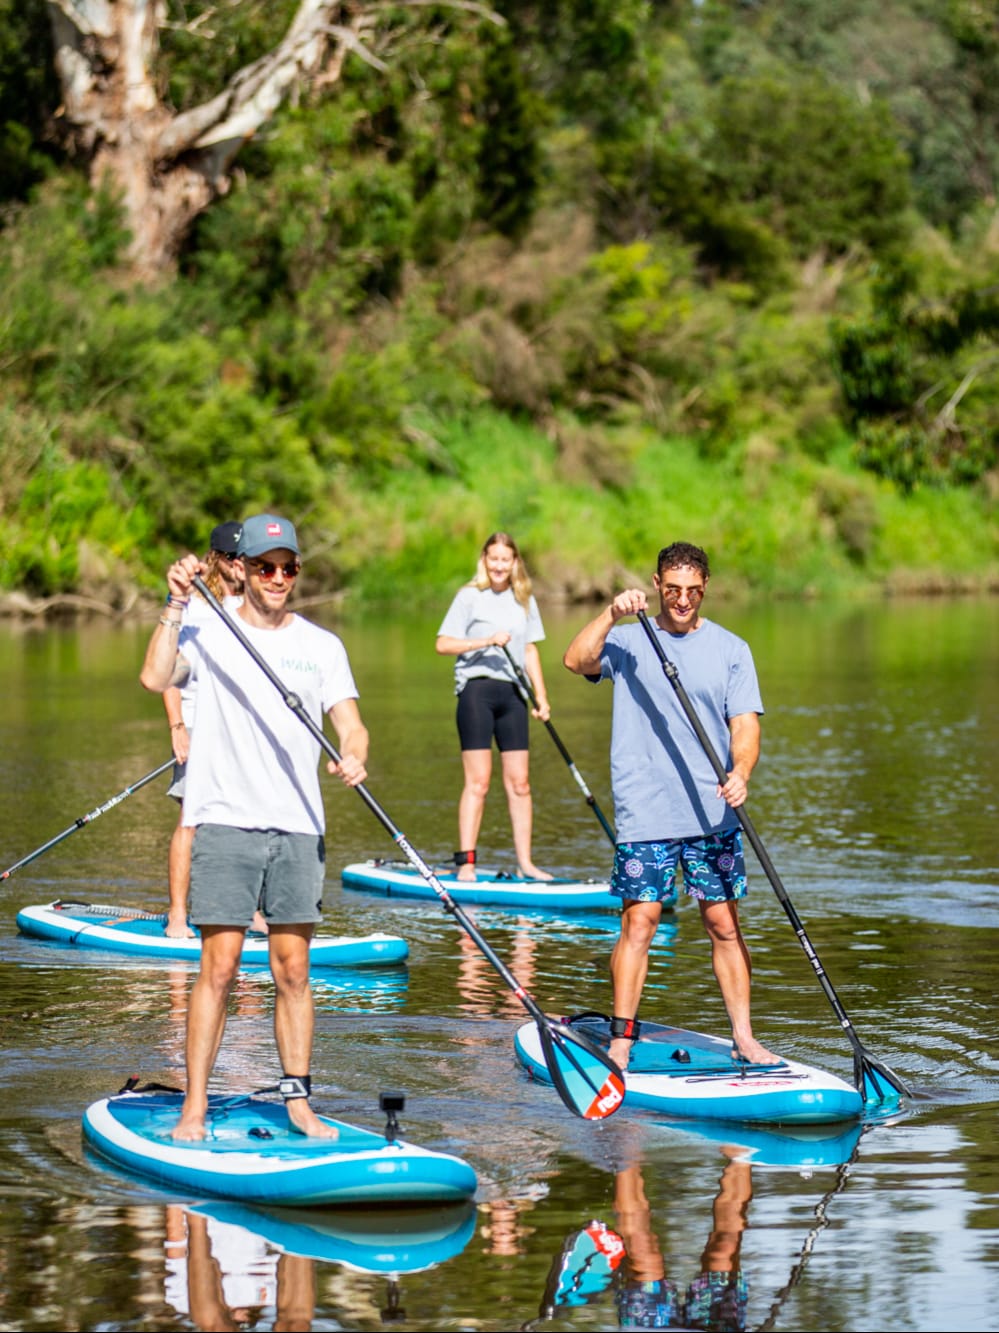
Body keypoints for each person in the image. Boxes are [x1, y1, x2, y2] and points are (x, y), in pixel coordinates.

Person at [140, 513, 370, 1141]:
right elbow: (155, 677)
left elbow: (350, 720)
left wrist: (354, 750)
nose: (277, 577)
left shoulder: (322, 645)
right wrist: (176, 601)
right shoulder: (209, 628)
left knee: (294, 970)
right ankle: (194, 1106)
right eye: (265, 566)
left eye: (287, 567)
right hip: (226, 821)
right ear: (241, 568)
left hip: (298, 826)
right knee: (219, 967)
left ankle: (298, 1103)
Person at [563, 541, 776, 1072]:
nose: (682, 600)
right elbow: (575, 659)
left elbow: (745, 724)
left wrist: (741, 772)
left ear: (705, 589)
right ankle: (620, 1039)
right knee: (640, 923)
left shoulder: (732, 649)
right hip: (645, 810)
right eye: (673, 589)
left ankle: (744, 1038)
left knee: (724, 925)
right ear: (658, 585)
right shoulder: (631, 642)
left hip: (712, 813)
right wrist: (610, 614)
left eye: (692, 591)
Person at [436, 532, 552, 882]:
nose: (499, 565)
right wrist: (485, 640)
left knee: (520, 783)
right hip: (477, 693)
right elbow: (443, 644)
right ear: (485, 560)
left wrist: (542, 697)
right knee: (479, 782)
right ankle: (466, 863)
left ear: (515, 562)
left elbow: (530, 650)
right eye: (494, 558)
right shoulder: (470, 597)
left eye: (506, 559)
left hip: (514, 696)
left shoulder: (524, 599)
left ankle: (526, 864)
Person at [163, 520, 244, 938]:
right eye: (232, 557)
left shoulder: (257, 607)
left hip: (240, 734)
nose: (239, 565)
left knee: (246, 824)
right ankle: (178, 915)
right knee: (190, 822)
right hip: (196, 725)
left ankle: (247, 913)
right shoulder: (195, 605)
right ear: (217, 558)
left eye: (245, 557)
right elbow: (168, 673)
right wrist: (178, 726)